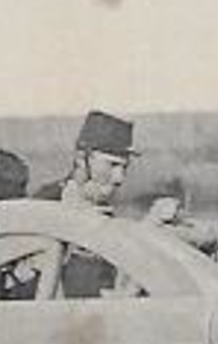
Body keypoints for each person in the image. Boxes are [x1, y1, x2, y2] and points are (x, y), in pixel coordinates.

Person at [31, 110, 141, 298]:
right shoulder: (44, 205)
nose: (119, 178)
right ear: (81, 159)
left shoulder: (106, 216)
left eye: (125, 168)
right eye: (112, 165)